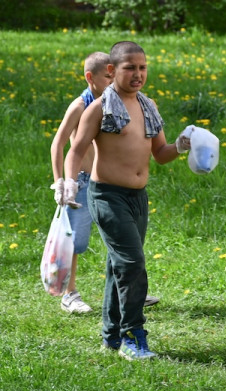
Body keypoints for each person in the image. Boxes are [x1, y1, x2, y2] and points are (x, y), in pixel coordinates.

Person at [56, 41, 190, 360]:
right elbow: (75, 149)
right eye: (130, 67)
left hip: (137, 198)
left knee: (119, 265)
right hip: (107, 196)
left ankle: (111, 337)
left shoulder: (148, 106)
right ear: (113, 70)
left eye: (143, 67)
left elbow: (160, 154)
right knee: (132, 263)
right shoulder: (99, 107)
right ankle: (133, 336)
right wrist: (69, 183)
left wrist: (182, 146)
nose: (138, 74)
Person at [50, 52, 160, 314]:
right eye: (107, 77)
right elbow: (60, 143)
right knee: (74, 238)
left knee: (122, 240)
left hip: (111, 184)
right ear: (91, 78)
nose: (113, 82)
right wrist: (61, 181)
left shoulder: (119, 102)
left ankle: (128, 290)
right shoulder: (82, 105)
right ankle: (69, 294)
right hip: (83, 182)